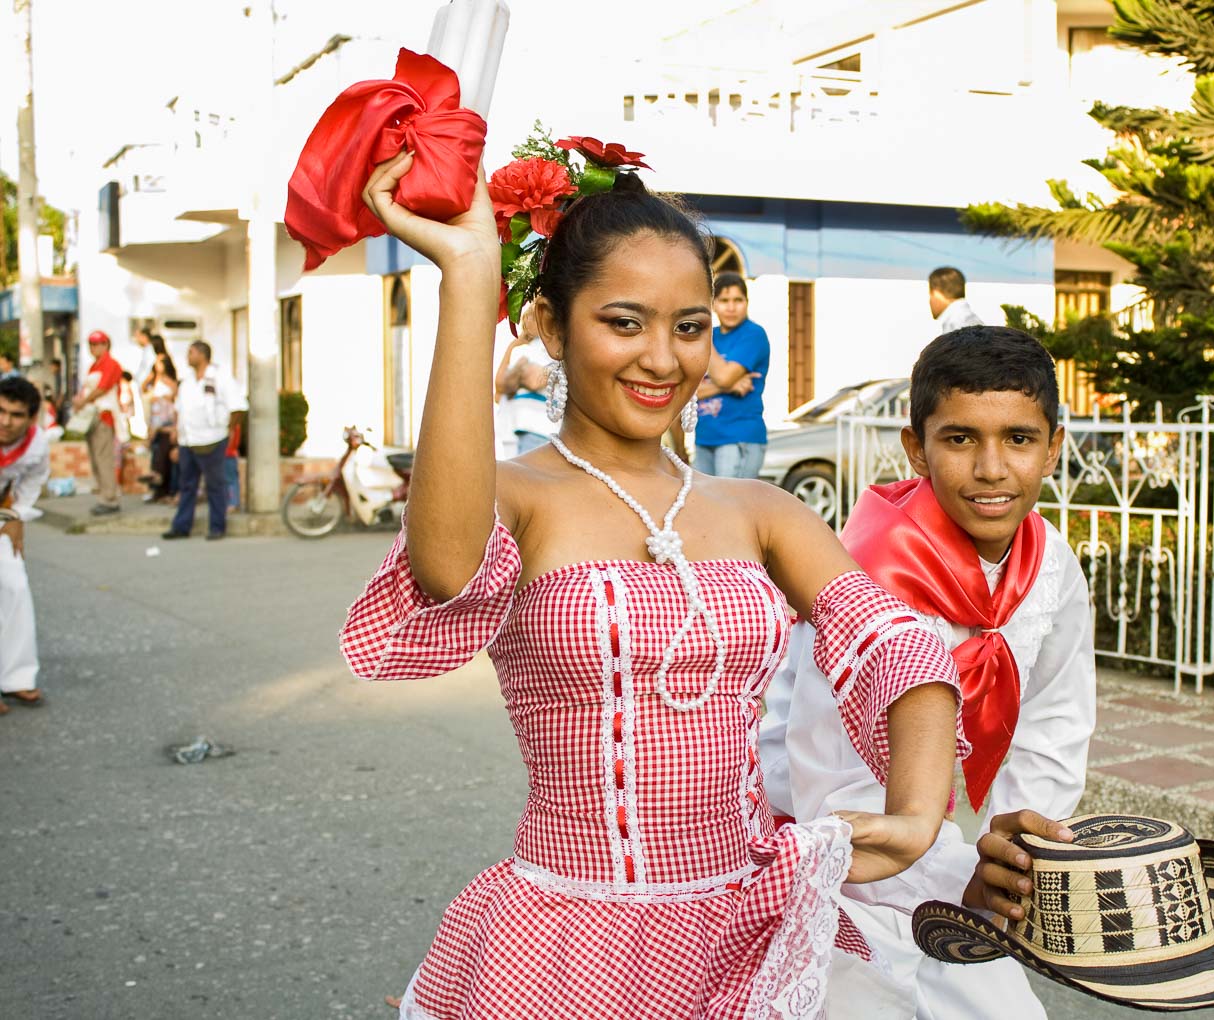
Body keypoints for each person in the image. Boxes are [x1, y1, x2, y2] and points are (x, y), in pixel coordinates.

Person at [338, 147, 966, 1019]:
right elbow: (444, 568)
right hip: (563, 941)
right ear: (552, 329)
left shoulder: (759, 509)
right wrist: (469, 278)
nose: (662, 359)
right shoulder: (516, 496)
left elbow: (898, 648)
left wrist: (916, 814)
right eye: (624, 322)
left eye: (690, 325)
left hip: (746, 927)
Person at [762, 326, 1098, 1019]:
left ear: (1055, 445)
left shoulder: (1052, 563)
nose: (992, 469)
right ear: (915, 447)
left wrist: (1021, 854)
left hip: (946, 870)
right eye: (960, 439)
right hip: (832, 855)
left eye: (1019, 439)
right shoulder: (865, 576)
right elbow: (833, 782)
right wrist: (966, 876)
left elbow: (1055, 718)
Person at [0, 376, 49, 716]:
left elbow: (32, 482)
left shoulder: (37, 445)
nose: (5, 421)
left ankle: (16, 677)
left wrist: (14, 515)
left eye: (15, 415)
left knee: (14, 583)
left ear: (31, 419)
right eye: (0, 411)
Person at [164, 341, 246, 541]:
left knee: (215, 485)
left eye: (191, 352)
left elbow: (238, 407)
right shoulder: (187, 382)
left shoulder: (220, 377)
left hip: (213, 439)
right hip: (188, 441)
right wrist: (177, 437)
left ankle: (217, 526)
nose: (187, 356)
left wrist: (228, 431)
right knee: (187, 485)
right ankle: (181, 526)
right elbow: (180, 411)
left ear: (202, 355)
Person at [691, 272, 769, 478]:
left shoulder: (753, 334)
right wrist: (728, 386)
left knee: (730, 508)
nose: (731, 307)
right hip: (704, 438)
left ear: (747, 302)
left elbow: (724, 376)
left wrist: (704, 338)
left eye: (738, 300)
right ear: (713, 304)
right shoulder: (711, 334)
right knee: (701, 507)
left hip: (738, 437)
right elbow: (690, 392)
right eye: (724, 300)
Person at [493, 307, 555, 457]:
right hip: (517, 426)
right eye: (526, 317)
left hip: (541, 428)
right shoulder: (520, 349)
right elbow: (501, 387)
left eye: (532, 317)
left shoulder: (553, 351)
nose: (527, 321)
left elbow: (534, 380)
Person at [73, 330, 124, 516]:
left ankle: (109, 498)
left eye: (97, 344)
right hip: (90, 416)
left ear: (106, 345)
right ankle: (103, 493)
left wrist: (84, 401)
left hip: (104, 416)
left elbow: (102, 388)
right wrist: (79, 401)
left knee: (104, 458)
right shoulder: (93, 366)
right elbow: (87, 389)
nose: (94, 348)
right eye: (91, 344)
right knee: (95, 458)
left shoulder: (111, 364)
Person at [142, 350, 180, 502]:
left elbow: (176, 397)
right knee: (156, 455)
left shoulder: (170, 381)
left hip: (166, 422)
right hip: (155, 420)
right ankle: (157, 489)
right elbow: (144, 388)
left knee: (163, 458)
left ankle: (163, 490)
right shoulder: (155, 380)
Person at [928, 267, 983, 334]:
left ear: (936, 293)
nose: (930, 302)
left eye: (930, 295)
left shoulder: (956, 323)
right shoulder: (966, 319)